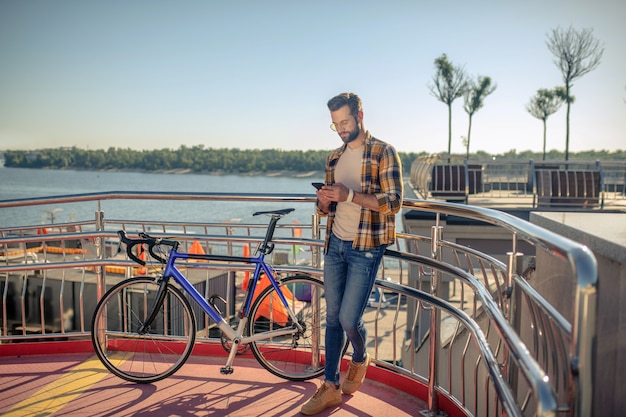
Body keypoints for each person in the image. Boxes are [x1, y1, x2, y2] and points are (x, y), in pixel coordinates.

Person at [300, 92, 403, 415]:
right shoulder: (333, 158)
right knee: (331, 318)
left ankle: (359, 358)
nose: (341, 129)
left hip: (366, 247)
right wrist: (325, 201)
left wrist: (350, 195)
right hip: (335, 246)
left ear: (360, 114)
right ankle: (329, 386)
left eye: (345, 121)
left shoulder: (383, 152)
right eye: (335, 125)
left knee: (347, 318)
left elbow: (394, 202)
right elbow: (324, 209)